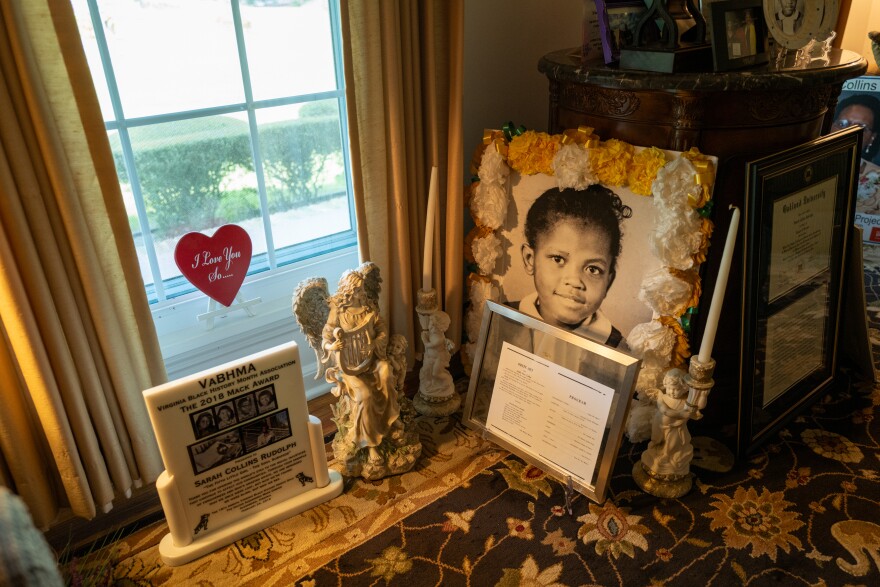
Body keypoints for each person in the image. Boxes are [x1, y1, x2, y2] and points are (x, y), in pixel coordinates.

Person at [513, 185, 631, 349]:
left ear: (608, 282)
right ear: (530, 259)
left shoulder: (618, 349)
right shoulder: (502, 320)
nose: (575, 281)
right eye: (558, 259)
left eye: (593, 269)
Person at [323, 270, 399, 465]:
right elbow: (326, 337)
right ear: (350, 291)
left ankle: (391, 418)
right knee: (364, 395)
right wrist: (332, 346)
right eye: (359, 290)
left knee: (386, 373)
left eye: (363, 288)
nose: (363, 292)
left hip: (371, 360)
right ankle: (371, 444)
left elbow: (382, 330)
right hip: (349, 367)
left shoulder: (369, 308)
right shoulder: (338, 312)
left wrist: (375, 343)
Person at [832, 94, 880, 163]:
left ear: (871, 139)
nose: (849, 133)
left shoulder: (873, 173)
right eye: (842, 124)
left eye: (860, 128)